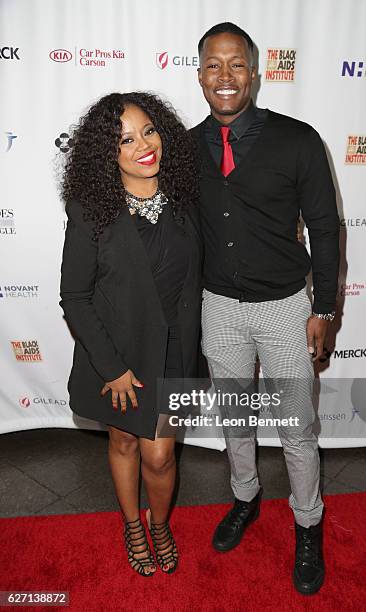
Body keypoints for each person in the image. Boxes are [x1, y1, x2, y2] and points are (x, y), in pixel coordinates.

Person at [191, 23, 340, 595]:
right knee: (235, 420)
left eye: (236, 65)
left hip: (284, 308)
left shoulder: (298, 140)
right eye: (212, 65)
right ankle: (246, 497)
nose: (224, 77)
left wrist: (324, 308)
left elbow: (324, 229)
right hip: (219, 310)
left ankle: (308, 523)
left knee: (297, 426)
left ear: (255, 73)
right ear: (199, 73)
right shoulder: (183, 146)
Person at [59, 92, 202, 577]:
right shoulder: (91, 212)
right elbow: (74, 297)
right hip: (119, 357)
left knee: (160, 455)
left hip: (174, 351)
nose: (143, 145)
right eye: (125, 139)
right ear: (107, 153)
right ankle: (132, 525)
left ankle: (159, 524)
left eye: (149, 131)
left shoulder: (186, 197)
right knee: (122, 443)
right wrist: (111, 368)